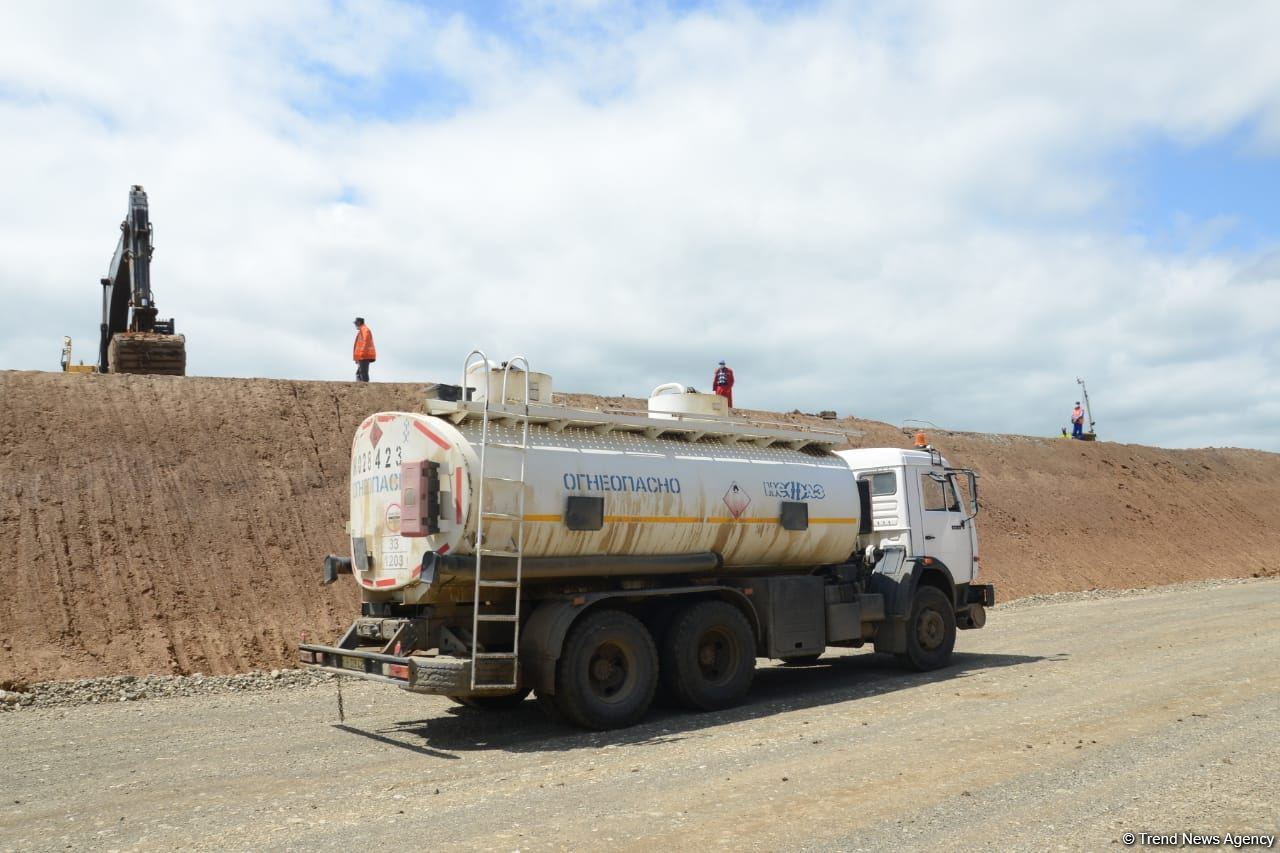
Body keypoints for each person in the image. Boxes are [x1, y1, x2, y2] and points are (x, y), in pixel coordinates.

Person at [353, 317, 376, 382]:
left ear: (359, 322)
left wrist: (361, 354)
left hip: (364, 355)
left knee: (363, 373)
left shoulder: (365, 330)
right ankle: (361, 388)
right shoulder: (362, 330)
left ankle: (365, 388)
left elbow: (365, 342)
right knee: (359, 373)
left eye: (356, 323)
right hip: (363, 355)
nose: (355, 325)